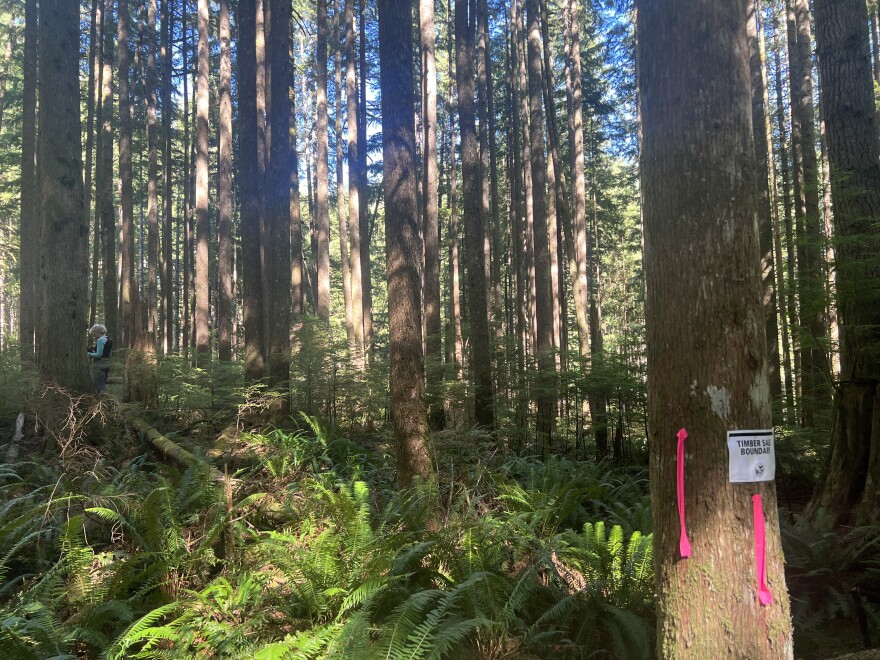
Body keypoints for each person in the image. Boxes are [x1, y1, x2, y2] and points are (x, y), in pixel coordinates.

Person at [87, 324, 113, 393]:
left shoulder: (100, 340)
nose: (94, 336)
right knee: (103, 382)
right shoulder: (108, 339)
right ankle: (104, 400)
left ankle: (102, 400)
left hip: (99, 365)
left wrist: (89, 354)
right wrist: (93, 350)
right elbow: (106, 353)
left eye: (94, 334)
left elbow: (99, 355)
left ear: (97, 331)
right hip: (107, 364)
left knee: (99, 384)